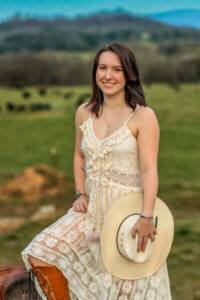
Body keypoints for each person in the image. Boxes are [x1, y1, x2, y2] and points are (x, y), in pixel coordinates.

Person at [21, 42, 172, 299]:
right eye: (102, 68)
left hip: (128, 214)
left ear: (129, 74)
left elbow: (149, 170)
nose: (108, 76)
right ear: (95, 72)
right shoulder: (84, 112)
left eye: (116, 69)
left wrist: (146, 217)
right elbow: (79, 155)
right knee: (41, 251)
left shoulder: (143, 117)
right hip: (91, 211)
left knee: (124, 290)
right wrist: (80, 194)